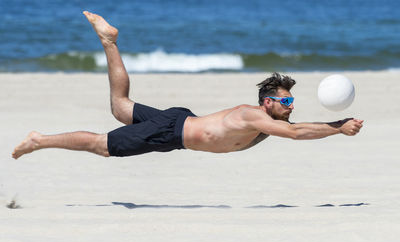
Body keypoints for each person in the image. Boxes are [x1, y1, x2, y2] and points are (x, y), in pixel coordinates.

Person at [12, 11, 363, 160]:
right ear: (266, 103)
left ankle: (109, 42)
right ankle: (39, 140)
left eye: (291, 102)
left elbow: (295, 128)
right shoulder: (253, 116)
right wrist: (338, 126)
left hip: (180, 123)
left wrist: (332, 126)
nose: (290, 107)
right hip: (173, 132)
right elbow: (298, 133)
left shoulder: (264, 124)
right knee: (103, 145)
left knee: (120, 106)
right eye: (284, 102)